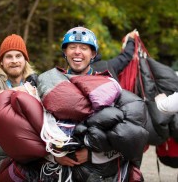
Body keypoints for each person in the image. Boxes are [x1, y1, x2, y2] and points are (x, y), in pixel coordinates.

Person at [35, 26, 148, 181]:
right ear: (65, 52)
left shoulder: (108, 86)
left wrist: (93, 155)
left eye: (84, 48)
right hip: (60, 172)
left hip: (101, 173)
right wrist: (54, 156)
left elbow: (126, 140)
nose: (77, 52)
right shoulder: (50, 84)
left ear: (93, 54)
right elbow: (35, 130)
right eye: (72, 47)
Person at [0, 34, 37, 181]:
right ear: (1, 62)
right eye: (9, 56)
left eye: (18, 56)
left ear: (25, 59)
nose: (14, 61)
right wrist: (21, 91)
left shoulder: (35, 81)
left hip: (29, 159)